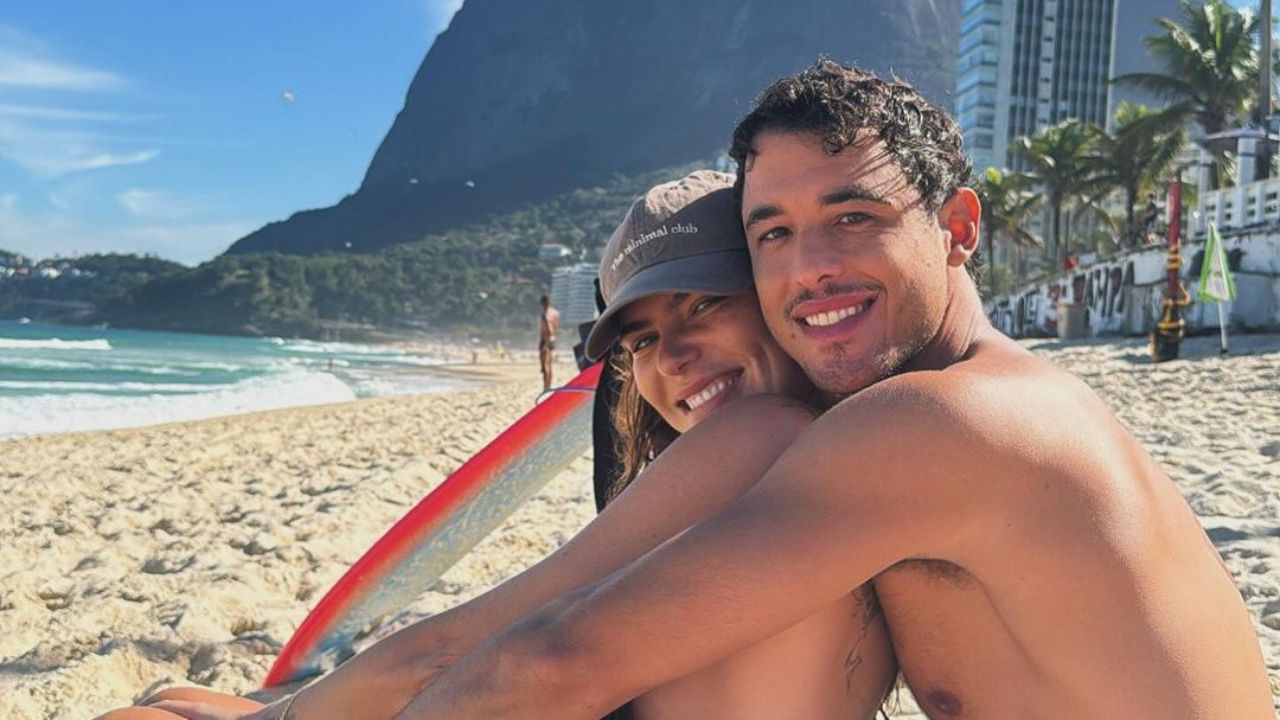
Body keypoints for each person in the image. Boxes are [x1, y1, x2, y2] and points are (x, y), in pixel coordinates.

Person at [384, 60, 1274, 719]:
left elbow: (551, 661)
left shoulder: (938, 421)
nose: (810, 269)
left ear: (958, 227)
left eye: (854, 217)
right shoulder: (993, 403)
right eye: (772, 234)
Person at [98, 172, 896, 720]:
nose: (673, 357)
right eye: (644, 339)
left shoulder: (762, 437)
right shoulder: (868, 464)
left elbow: (466, 649)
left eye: (704, 304)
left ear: (774, 292)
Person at [539, 295, 561, 390]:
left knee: (547, 365)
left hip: (547, 340)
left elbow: (551, 329)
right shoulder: (548, 313)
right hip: (545, 340)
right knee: (544, 366)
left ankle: (547, 386)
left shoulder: (548, 314)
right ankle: (546, 385)